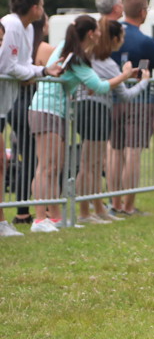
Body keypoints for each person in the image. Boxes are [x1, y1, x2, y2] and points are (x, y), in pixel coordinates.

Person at [28, 16, 132, 232]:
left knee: (54, 167)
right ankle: (39, 219)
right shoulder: (76, 56)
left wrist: (81, 87)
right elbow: (101, 86)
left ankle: (55, 217)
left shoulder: (69, 49)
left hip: (55, 110)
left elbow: (75, 81)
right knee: (46, 167)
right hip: (46, 109)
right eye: (97, 30)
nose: (101, 33)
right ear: (91, 34)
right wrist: (124, 76)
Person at [0, 0, 64, 236]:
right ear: (35, 8)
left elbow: (23, 65)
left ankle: (3, 222)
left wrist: (44, 71)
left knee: (1, 163)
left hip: (5, 103)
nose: (43, 10)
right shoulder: (12, 25)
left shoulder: (25, 28)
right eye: (42, 5)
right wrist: (37, 72)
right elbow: (8, 66)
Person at [76, 20, 151, 223]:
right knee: (90, 165)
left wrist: (123, 76)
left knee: (91, 164)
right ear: (115, 38)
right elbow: (125, 95)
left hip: (85, 110)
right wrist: (144, 82)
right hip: (96, 111)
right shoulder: (107, 63)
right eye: (122, 37)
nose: (123, 41)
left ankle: (97, 208)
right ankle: (85, 212)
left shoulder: (90, 57)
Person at [108, 0, 154, 217]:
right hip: (139, 100)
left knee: (114, 151)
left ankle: (114, 203)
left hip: (113, 97)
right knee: (132, 152)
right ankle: (128, 205)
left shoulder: (110, 35)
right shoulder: (145, 41)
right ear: (143, 12)